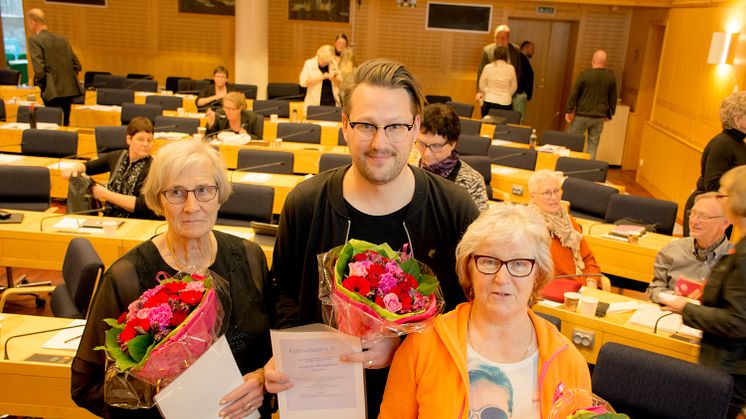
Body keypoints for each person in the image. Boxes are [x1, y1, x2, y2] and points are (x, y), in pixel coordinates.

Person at [266, 58, 480, 417]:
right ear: (345, 126)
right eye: (366, 125)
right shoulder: (304, 204)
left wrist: (404, 347)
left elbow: (471, 316)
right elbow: (284, 295)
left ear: (415, 129)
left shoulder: (455, 210)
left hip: (419, 403)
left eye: (395, 126)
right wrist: (289, 354)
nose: (380, 143)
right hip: (320, 402)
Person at [71, 141, 275, 419]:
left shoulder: (251, 259)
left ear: (219, 195)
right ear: (158, 199)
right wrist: (157, 392)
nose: (192, 207)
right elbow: (86, 385)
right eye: (176, 192)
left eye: (203, 190)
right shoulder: (126, 276)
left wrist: (263, 380)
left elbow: (274, 350)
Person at [379, 204, 592, 418]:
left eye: (519, 264)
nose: (502, 278)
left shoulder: (569, 362)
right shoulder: (421, 346)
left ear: (538, 274)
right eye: (489, 261)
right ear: (469, 269)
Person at [660, 165, 746, 419]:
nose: (718, 199)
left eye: (722, 194)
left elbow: (738, 321)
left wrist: (686, 308)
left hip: (729, 366)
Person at [61, 116, 156, 219]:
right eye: (140, 139)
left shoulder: (155, 167)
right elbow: (87, 166)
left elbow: (142, 205)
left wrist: (105, 194)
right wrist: (74, 169)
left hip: (137, 222)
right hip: (109, 218)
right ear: (129, 139)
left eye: (149, 140)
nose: (146, 144)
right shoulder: (117, 156)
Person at [647, 192, 732, 303]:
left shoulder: (736, 260)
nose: (694, 221)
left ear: (725, 222)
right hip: (669, 314)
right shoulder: (673, 249)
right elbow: (654, 289)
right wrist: (676, 299)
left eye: (703, 216)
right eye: (692, 213)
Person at [682, 91, 746, 236]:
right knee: (697, 258)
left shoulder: (739, 144)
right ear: (737, 120)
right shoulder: (722, 144)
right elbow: (712, 185)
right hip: (706, 212)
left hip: (722, 211)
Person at [528, 170, 602, 288]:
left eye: (556, 191)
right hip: (552, 291)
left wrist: (592, 281)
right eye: (547, 193)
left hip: (582, 288)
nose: (553, 197)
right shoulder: (531, 227)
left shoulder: (569, 222)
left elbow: (588, 259)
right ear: (533, 196)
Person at [418, 103, 489, 211]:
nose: (426, 153)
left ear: (453, 143)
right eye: (422, 144)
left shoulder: (472, 181)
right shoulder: (408, 170)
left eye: (436, 146)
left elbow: (479, 226)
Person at [26, 8, 83, 126]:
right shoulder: (62, 39)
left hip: (51, 91)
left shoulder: (34, 40)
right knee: (65, 123)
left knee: (53, 125)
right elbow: (77, 65)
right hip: (69, 89)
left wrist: (44, 86)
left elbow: (39, 70)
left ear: (33, 22)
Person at [565, 49, 617, 160]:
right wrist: (610, 113)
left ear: (593, 60)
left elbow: (575, 93)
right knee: (593, 145)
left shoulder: (585, 75)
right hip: (598, 117)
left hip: (582, 115)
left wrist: (569, 109)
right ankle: (588, 170)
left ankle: (571, 165)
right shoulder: (610, 77)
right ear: (605, 62)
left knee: (573, 143)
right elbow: (613, 98)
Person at [476, 24, 522, 101]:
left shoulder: (515, 50)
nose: (503, 40)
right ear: (495, 38)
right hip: (490, 92)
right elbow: (481, 72)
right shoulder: (488, 50)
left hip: (508, 92)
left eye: (505, 37)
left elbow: (518, 71)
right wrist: (480, 91)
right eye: (500, 37)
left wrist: (511, 92)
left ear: (509, 38)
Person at [476, 46, 517, 118]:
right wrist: (506, 93)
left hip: (489, 99)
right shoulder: (511, 68)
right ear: (506, 56)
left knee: (486, 125)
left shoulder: (488, 67)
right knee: (503, 126)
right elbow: (514, 86)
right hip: (505, 101)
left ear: (494, 55)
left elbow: (481, 84)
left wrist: (488, 91)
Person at [514, 40, 535, 122]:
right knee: (518, 118)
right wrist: (521, 91)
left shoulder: (521, 59)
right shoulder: (521, 60)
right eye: (532, 49)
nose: (534, 52)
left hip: (519, 93)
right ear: (525, 48)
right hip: (519, 94)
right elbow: (519, 77)